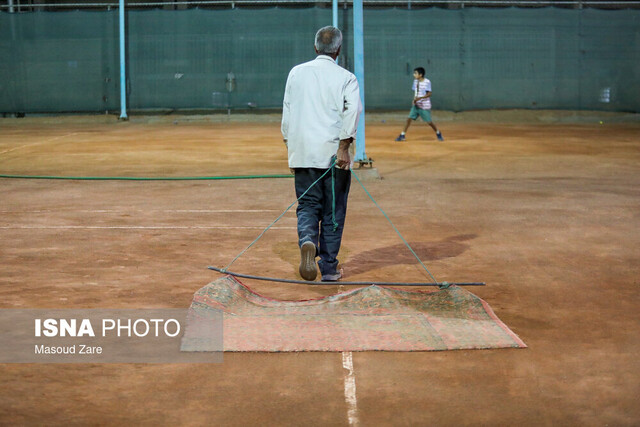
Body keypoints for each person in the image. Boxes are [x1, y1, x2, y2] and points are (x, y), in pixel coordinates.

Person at [281, 26, 362, 282]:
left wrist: (292, 150)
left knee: (307, 205)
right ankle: (328, 268)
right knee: (332, 212)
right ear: (338, 50)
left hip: (303, 152)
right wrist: (344, 148)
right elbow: (352, 112)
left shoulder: (296, 73)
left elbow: (287, 115)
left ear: (316, 47)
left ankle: (307, 240)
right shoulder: (347, 78)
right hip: (332, 156)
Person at [395, 67, 443, 142]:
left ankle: (438, 133)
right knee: (409, 119)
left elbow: (429, 93)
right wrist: (414, 99)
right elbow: (416, 92)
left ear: (420, 75)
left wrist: (420, 98)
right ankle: (402, 135)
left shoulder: (427, 82)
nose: (414, 75)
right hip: (416, 105)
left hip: (424, 106)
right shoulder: (415, 81)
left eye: (415, 73)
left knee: (429, 122)